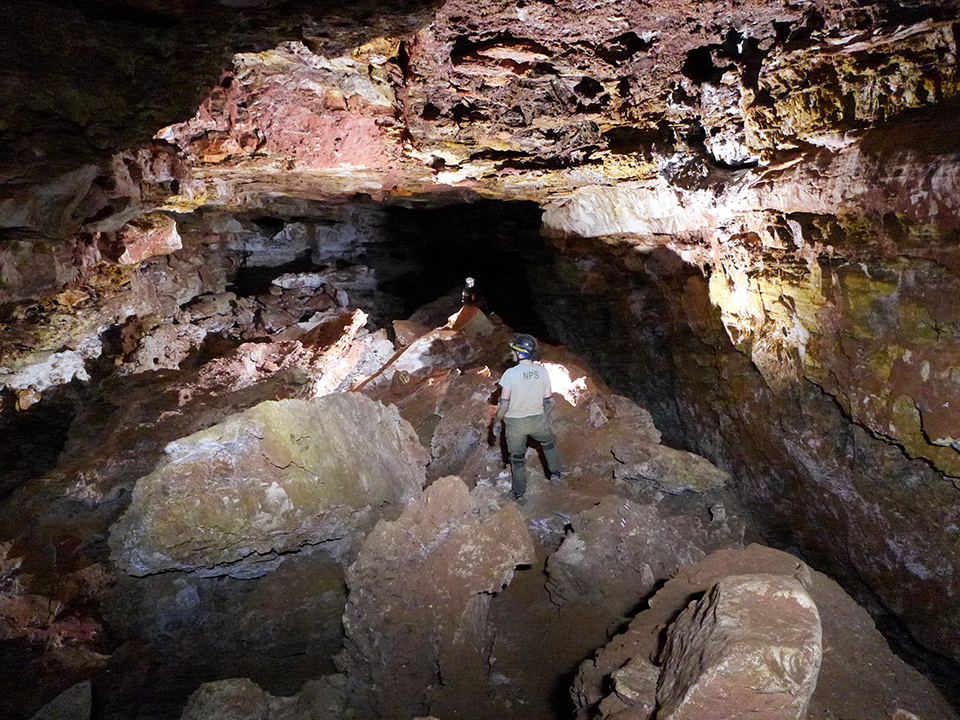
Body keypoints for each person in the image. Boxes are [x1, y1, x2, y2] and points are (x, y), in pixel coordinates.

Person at [492, 334, 563, 502]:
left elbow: (504, 402)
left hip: (516, 424)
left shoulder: (510, 374)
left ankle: (519, 493)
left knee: (517, 460)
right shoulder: (542, 371)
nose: (512, 353)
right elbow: (549, 401)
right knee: (549, 445)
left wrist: (497, 420)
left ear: (521, 353)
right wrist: (542, 416)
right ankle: (556, 474)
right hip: (538, 419)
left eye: (514, 350)